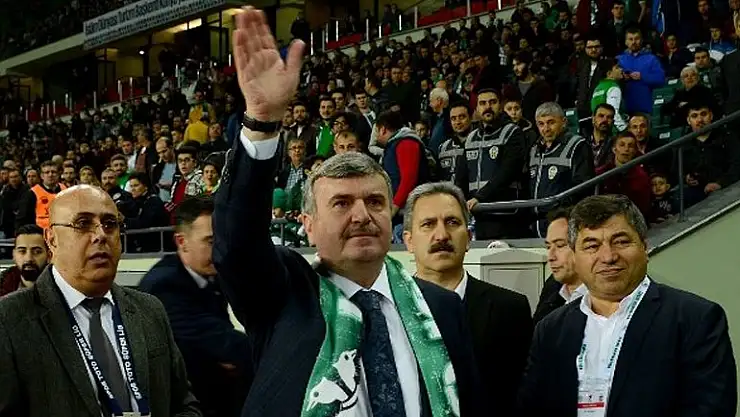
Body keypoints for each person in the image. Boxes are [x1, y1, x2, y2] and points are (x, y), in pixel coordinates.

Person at [214, 8, 482, 417]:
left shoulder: (440, 308)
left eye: (374, 202)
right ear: (308, 225)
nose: (362, 215)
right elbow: (236, 244)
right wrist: (262, 123)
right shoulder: (283, 296)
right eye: (341, 203)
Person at [518, 195, 737, 417]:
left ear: (644, 247)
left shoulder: (694, 319)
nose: (608, 257)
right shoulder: (551, 330)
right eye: (592, 246)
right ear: (575, 256)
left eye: (621, 242)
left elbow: (710, 409)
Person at [0, 185, 201, 416]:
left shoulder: (150, 310)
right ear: (52, 239)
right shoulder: (9, 320)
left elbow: (184, 404)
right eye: (83, 223)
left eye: (110, 224)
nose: (100, 235)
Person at [402, 182, 533, 417]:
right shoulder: (389, 311)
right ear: (409, 241)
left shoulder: (510, 309)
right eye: (428, 224)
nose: (442, 235)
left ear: (469, 237)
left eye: (452, 222)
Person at [139, 197, 250, 417]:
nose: (220, 249)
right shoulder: (164, 286)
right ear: (182, 241)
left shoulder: (211, 274)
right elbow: (221, 342)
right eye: (211, 241)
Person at [532, 207, 585, 324]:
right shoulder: (552, 286)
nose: (551, 257)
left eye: (560, 245)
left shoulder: (606, 296)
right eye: (548, 247)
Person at [0, 224, 49, 297]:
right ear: (14, 255)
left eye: (37, 252)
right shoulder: (3, 286)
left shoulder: (62, 288)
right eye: (22, 251)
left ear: (49, 255)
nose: (28, 258)